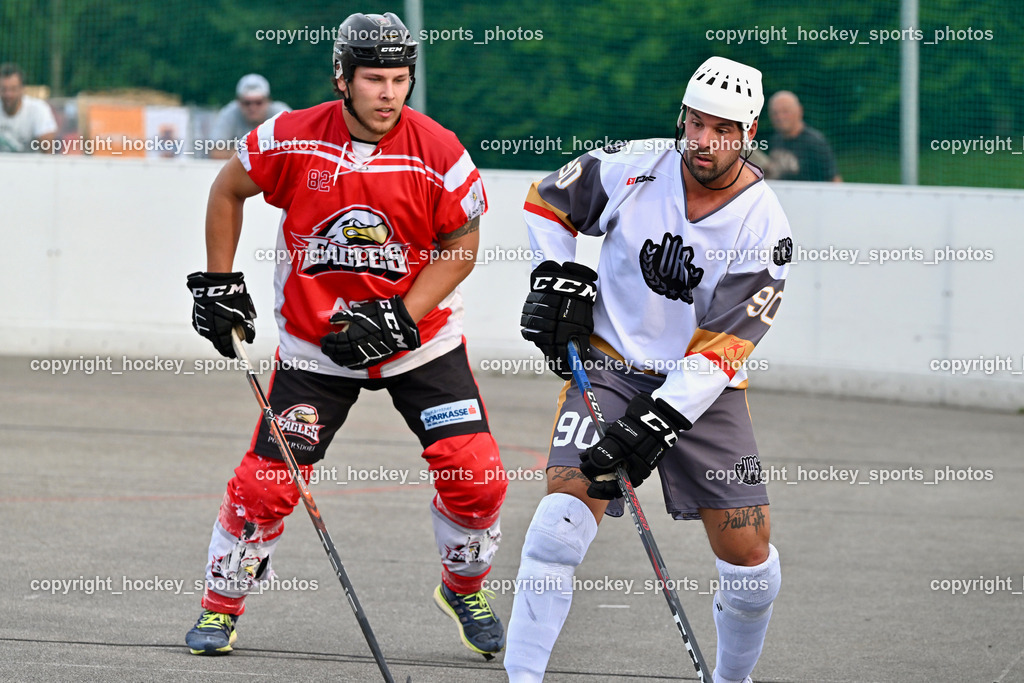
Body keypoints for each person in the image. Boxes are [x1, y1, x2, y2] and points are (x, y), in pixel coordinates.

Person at [184, 12, 507, 660]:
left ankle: (463, 585)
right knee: (266, 484)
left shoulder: (439, 150)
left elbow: (462, 244)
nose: (389, 93)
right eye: (373, 79)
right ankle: (221, 604)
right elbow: (229, 188)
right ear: (342, 78)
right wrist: (218, 283)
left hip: (420, 342)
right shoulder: (292, 137)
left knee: (477, 475)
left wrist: (401, 316)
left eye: (399, 79)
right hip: (316, 347)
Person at [506, 56, 792, 683]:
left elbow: (725, 346)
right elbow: (544, 202)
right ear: (681, 118)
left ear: (747, 136)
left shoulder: (763, 223)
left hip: (703, 390)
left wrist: (659, 421)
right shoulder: (630, 166)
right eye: (695, 124)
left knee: (749, 565)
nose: (704, 141)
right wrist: (557, 273)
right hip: (609, 368)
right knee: (559, 523)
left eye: (723, 130)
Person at [208, 73, 290, 159]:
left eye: (258, 102)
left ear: (268, 101)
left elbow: (299, 146)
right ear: (238, 102)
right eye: (247, 103)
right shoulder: (229, 113)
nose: (252, 107)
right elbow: (215, 152)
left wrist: (242, 153)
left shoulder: (281, 114)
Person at [767, 90, 841, 182]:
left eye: (785, 111)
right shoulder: (776, 140)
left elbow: (833, 179)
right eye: (775, 113)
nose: (780, 117)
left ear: (799, 111)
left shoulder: (814, 142)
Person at [0, 63, 57, 153]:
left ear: (22, 89)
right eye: (4, 89)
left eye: (13, 89)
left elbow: (48, 149)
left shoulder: (38, 109)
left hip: (32, 165)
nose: (8, 94)